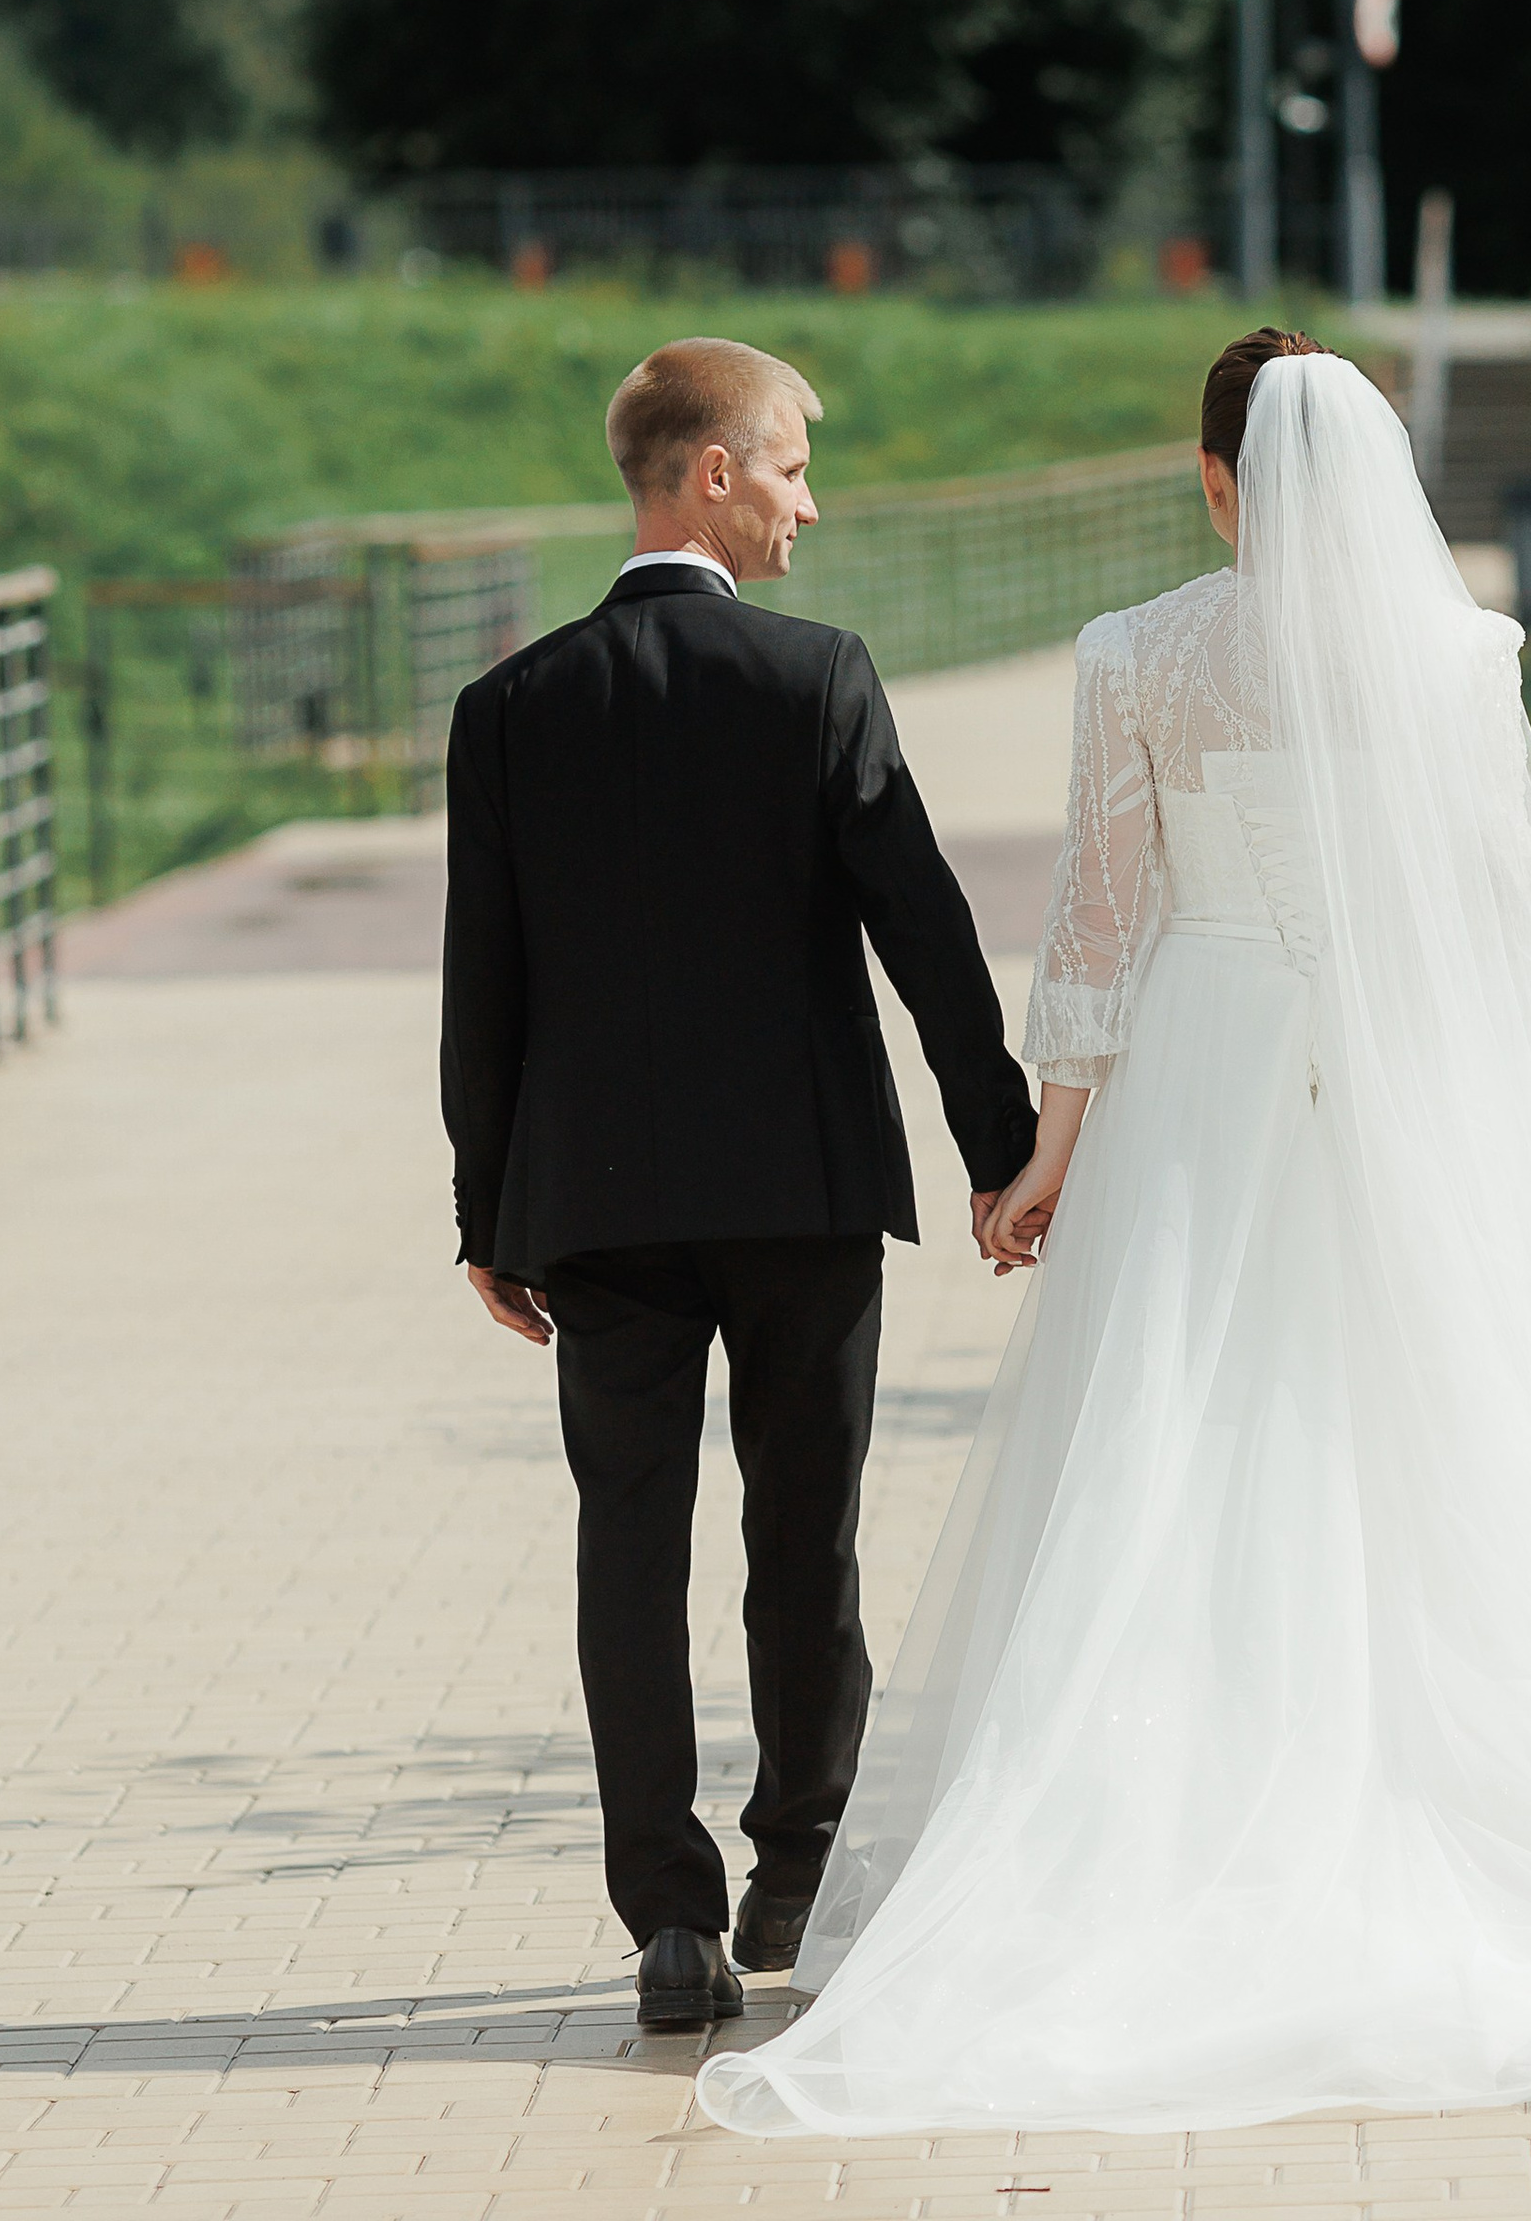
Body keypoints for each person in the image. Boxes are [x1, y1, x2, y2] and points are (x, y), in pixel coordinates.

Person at [696, 331, 1531, 2135]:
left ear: (1217, 479)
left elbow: (1103, 925)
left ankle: (1173, 1826)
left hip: (1210, 1075)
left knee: (1185, 1449)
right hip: (1405, 1087)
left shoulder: (1137, 652)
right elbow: (1497, 906)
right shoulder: (1462, 655)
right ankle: (1502, 1809)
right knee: (1435, 1438)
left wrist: (1042, 1158)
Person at [438, 335, 1036, 2034]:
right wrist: (1001, 1152)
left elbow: (484, 984)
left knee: (627, 1544)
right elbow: (926, 934)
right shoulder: (817, 679)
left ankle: (671, 1923)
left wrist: (489, 1207)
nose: (807, 500)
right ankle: (799, 1866)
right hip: (801, 1190)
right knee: (808, 1535)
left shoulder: (510, 710)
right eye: (788, 466)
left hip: (600, 1205)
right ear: (711, 471)